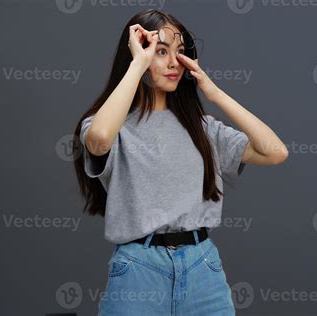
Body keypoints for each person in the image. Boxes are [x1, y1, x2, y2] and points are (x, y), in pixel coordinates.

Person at [72, 9, 288, 316]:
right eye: (161, 52)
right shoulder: (109, 124)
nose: (174, 62)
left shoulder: (202, 128)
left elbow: (275, 151)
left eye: (180, 52)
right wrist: (138, 64)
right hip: (139, 270)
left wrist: (216, 95)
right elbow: (100, 139)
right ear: (137, 55)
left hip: (203, 269)